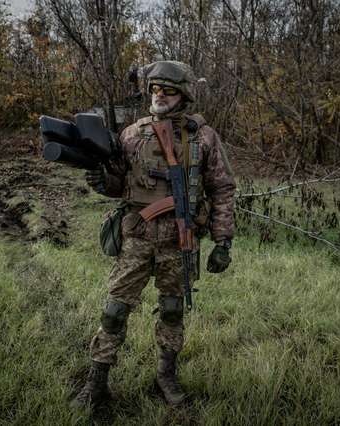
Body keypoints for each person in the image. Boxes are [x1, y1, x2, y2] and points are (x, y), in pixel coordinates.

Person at [72, 61, 236, 408]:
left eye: (168, 90)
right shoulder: (132, 134)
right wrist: (103, 181)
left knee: (173, 310)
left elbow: (222, 188)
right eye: (155, 89)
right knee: (115, 309)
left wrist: (223, 241)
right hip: (138, 237)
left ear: (184, 94)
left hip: (180, 239)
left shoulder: (204, 137)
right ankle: (96, 383)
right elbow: (119, 186)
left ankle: (166, 376)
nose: (159, 96)